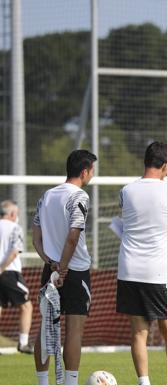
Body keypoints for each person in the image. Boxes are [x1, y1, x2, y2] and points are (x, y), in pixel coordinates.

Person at [116, 142, 167, 385]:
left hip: (129, 270)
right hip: (158, 273)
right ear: (165, 165)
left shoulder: (126, 191)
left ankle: (143, 382)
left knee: (138, 333)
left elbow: (125, 223)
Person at [32, 149, 97, 385]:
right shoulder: (79, 196)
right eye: (92, 171)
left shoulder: (46, 196)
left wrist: (51, 264)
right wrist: (64, 267)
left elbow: (36, 238)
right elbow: (72, 237)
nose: (92, 176)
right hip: (74, 269)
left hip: (50, 269)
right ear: (84, 171)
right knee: (74, 330)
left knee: (44, 327)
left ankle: (42, 382)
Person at [0, 200, 33, 354]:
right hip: (9, 272)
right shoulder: (15, 228)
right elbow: (14, 251)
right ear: (12, 214)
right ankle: (23, 343)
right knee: (26, 306)